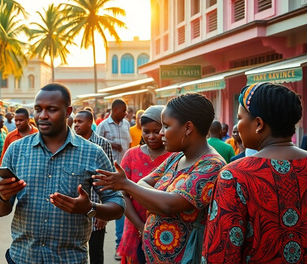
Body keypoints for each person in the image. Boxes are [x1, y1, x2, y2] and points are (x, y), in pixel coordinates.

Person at [0, 83, 125, 264]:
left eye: (51, 109)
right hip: (22, 257)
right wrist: (4, 197)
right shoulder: (16, 150)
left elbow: (117, 205)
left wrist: (90, 208)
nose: (43, 115)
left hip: (70, 259)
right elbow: (0, 210)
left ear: (68, 111)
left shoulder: (93, 153)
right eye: (38, 109)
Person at [94, 93, 226, 264]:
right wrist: (153, 195)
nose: (162, 133)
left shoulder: (211, 165)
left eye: (166, 126)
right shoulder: (177, 157)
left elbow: (168, 205)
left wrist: (127, 185)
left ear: (188, 128)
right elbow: (143, 183)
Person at [202, 82, 307, 263]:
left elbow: (221, 253)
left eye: (240, 118)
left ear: (258, 124)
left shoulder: (235, 175)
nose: (237, 125)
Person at [117, 106, 173, 264]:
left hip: (168, 229)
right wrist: (141, 227)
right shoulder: (131, 155)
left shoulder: (175, 157)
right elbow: (124, 195)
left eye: (156, 131)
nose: (151, 136)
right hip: (135, 226)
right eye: (146, 131)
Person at [73, 109, 114, 264]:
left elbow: (107, 181)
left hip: (96, 210)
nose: (76, 125)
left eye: (80, 122)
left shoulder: (103, 144)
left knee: (96, 253)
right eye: (75, 121)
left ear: (90, 123)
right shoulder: (70, 145)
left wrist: (102, 212)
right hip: (74, 209)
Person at [97, 99, 132, 259]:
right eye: (123, 110)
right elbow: (96, 145)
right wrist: (112, 144)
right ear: (115, 109)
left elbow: (129, 146)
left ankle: (122, 244)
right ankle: (119, 244)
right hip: (109, 175)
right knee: (116, 207)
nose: (126, 113)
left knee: (125, 207)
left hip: (126, 174)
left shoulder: (126, 125)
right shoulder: (103, 125)